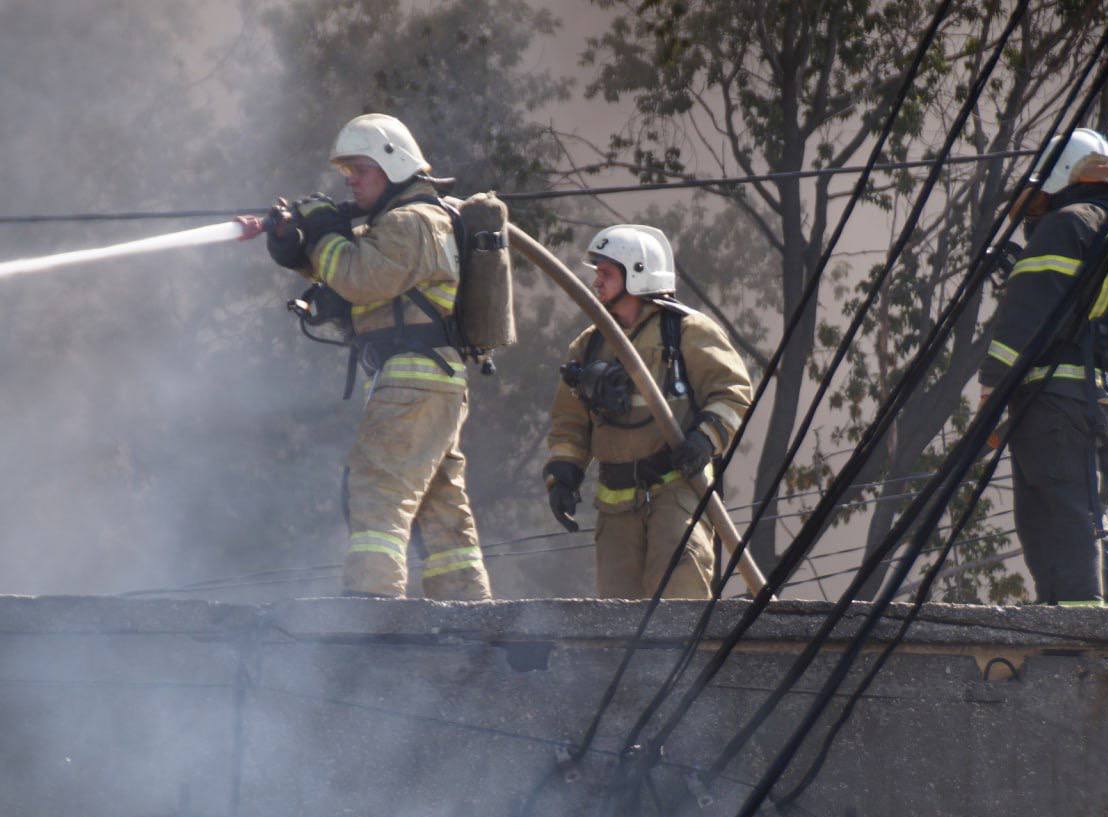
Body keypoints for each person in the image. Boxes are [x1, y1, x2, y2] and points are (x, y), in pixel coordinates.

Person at [246, 113, 491, 600]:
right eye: (347, 173)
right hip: (426, 382)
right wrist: (296, 245)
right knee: (440, 505)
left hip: (415, 380)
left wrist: (322, 232)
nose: (351, 181)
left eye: (360, 169)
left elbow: (359, 276)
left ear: (391, 164)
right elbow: (343, 267)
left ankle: (371, 604)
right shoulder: (400, 225)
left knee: (377, 485)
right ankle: (468, 610)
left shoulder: (412, 222)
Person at [978, 128, 1108, 607]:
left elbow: (1025, 315)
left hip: (1058, 402)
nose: (1035, 213)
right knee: (1085, 515)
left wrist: (992, 391)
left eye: (1038, 200)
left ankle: (1079, 638)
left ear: (1059, 178)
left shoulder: (1068, 223)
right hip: (1107, 400)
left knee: (1058, 519)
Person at [544, 225, 752, 599]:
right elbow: (568, 422)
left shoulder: (685, 330)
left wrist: (705, 440)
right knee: (618, 617)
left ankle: (686, 663)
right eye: (597, 273)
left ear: (637, 274)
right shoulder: (589, 345)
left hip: (676, 489)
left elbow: (732, 393)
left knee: (678, 596)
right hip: (614, 498)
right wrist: (563, 474)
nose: (596, 282)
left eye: (606, 273)